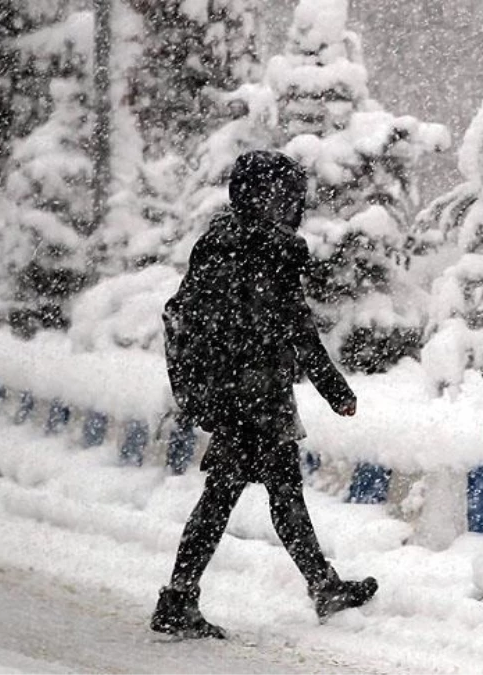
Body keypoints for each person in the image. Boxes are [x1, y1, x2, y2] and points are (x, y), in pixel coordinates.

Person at [151, 150, 377, 640]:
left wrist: (208, 387)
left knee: (267, 492)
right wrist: (335, 389)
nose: (293, 205)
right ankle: (180, 597)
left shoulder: (218, 243)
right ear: (267, 197)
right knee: (239, 496)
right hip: (253, 397)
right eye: (287, 196)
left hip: (233, 393)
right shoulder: (267, 250)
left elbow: (196, 316)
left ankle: (319, 585)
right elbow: (297, 327)